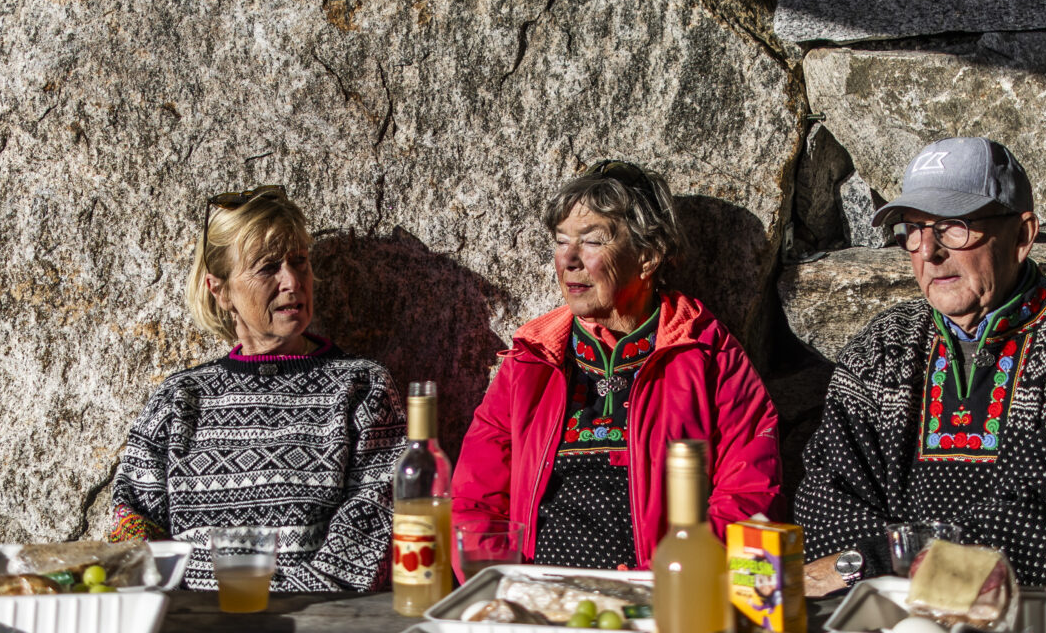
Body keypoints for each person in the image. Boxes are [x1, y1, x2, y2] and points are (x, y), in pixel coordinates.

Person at [797, 136, 1046, 594]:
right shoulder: (884, 344)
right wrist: (907, 572)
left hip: (1041, 624)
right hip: (889, 622)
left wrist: (873, 562)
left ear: (1022, 236)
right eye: (914, 228)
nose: (929, 251)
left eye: (954, 226)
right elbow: (823, 505)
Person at [453, 161, 781, 567]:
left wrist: (676, 583)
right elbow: (474, 499)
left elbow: (750, 492)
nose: (569, 259)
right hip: (538, 602)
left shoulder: (708, 355)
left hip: (661, 603)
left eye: (591, 242)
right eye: (560, 241)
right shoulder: (531, 360)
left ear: (647, 256)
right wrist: (500, 589)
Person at [105, 185, 402, 592]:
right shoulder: (180, 400)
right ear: (220, 290)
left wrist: (269, 604)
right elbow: (134, 520)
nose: (293, 282)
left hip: (317, 628)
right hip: (195, 630)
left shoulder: (360, 388)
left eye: (299, 262)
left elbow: (375, 519)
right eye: (267, 268)